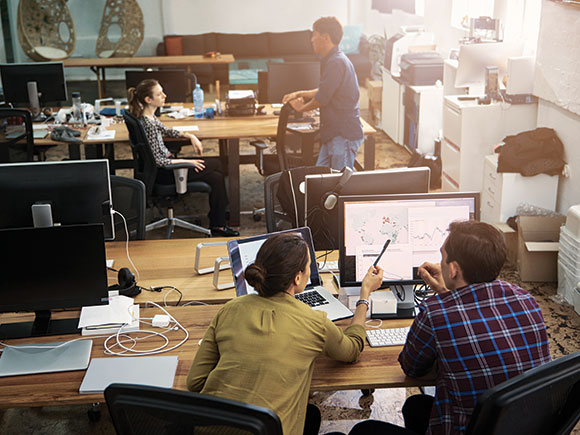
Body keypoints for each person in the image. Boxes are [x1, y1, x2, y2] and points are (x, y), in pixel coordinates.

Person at [346, 221, 551, 435]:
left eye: (442, 256)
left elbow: (412, 367)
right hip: (522, 425)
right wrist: (447, 293)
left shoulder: (436, 314)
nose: (440, 262)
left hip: (468, 430)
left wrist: (444, 302)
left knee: (364, 431)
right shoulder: (525, 298)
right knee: (416, 406)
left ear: (453, 269)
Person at [187, 232, 384, 435]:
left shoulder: (230, 309)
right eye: (309, 265)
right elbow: (352, 350)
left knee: (311, 415)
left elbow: (195, 382)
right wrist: (364, 295)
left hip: (208, 429)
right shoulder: (314, 322)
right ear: (298, 278)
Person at [127, 79, 238, 237]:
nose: (164, 95)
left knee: (216, 176)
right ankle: (221, 218)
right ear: (148, 100)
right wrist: (187, 162)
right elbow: (158, 161)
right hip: (165, 172)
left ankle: (218, 222)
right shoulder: (149, 125)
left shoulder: (149, 117)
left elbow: (167, 131)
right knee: (219, 163)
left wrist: (189, 135)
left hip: (166, 167)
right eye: (159, 94)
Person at [282, 16, 363, 171]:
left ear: (325, 37)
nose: (312, 39)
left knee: (339, 184)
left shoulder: (336, 62)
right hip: (333, 133)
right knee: (320, 179)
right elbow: (327, 90)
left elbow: (322, 98)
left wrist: (300, 108)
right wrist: (301, 93)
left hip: (343, 134)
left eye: (314, 35)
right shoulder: (333, 59)